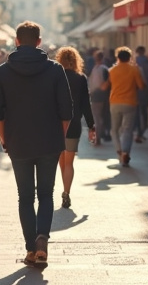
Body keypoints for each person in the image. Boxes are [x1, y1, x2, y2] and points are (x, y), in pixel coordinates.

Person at [0, 21, 72, 267]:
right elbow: (67, 110)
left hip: (19, 142)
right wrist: (60, 135)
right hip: (49, 141)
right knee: (46, 194)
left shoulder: (3, 71)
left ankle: (30, 249)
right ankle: (41, 240)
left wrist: (5, 138)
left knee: (25, 197)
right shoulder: (55, 70)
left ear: (17, 41)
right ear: (39, 41)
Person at [54, 46, 95, 209]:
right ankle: (66, 193)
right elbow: (86, 104)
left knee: (61, 161)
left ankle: (59, 191)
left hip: (56, 124)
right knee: (69, 162)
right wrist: (92, 125)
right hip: (73, 124)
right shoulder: (80, 78)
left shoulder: (55, 76)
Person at [103, 47, 145, 167]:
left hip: (115, 102)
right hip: (130, 103)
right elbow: (141, 86)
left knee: (114, 130)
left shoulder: (112, 70)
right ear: (130, 58)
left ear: (117, 58)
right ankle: (125, 151)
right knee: (127, 130)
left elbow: (107, 85)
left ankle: (119, 151)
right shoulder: (134, 70)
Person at [87, 50, 111, 145]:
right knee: (101, 117)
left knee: (97, 117)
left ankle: (98, 137)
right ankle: (100, 135)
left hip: (98, 95)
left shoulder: (98, 69)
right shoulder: (103, 68)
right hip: (101, 95)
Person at [133, 46, 148, 143]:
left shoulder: (134, 63)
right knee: (144, 112)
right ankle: (142, 131)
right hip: (146, 90)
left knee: (136, 113)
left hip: (135, 93)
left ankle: (138, 131)